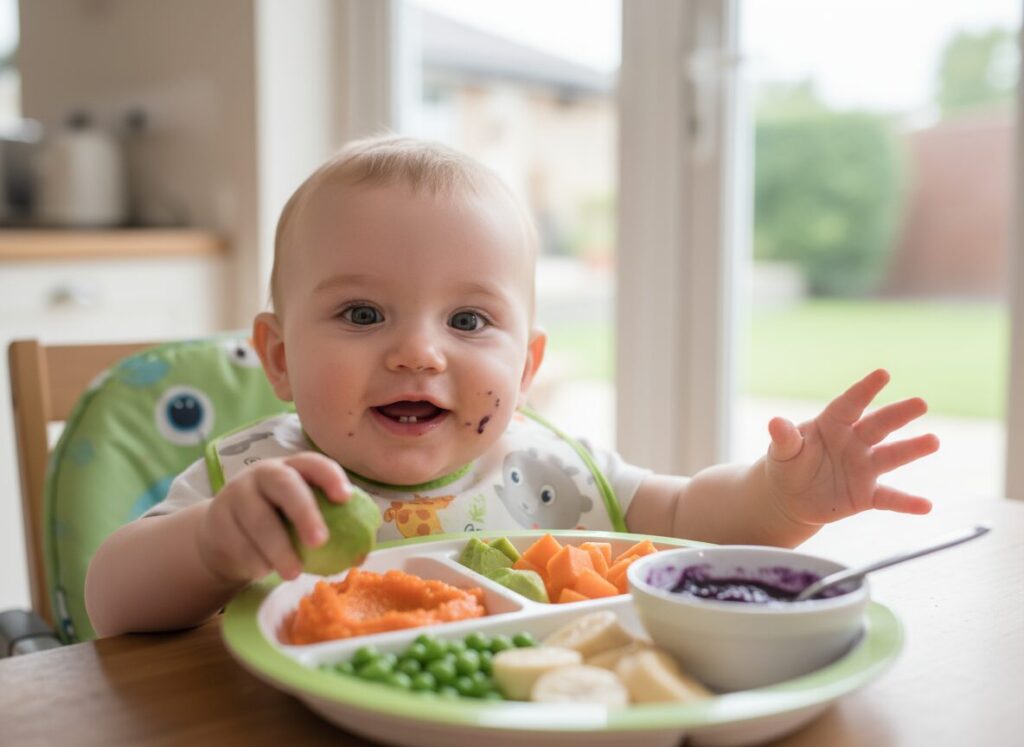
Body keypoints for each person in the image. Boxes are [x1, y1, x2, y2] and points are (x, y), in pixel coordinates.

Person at [85, 135, 939, 636]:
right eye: (360, 313)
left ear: (526, 370)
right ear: (276, 356)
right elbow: (109, 598)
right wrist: (210, 547)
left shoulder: (545, 468)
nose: (419, 353)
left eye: (466, 322)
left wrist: (781, 499)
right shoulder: (259, 484)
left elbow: (684, 520)